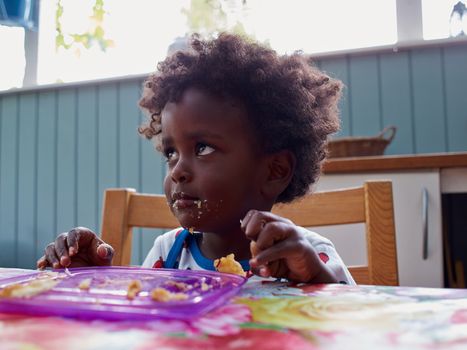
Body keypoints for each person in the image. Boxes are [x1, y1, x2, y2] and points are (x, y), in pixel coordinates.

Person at [37, 33, 354, 285]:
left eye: (202, 148)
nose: (177, 172)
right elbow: (147, 324)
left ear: (275, 170)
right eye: (171, 153)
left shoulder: (309, 257)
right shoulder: (168, 253)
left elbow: (355, 327)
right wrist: (93, 277)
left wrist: (315, 280)